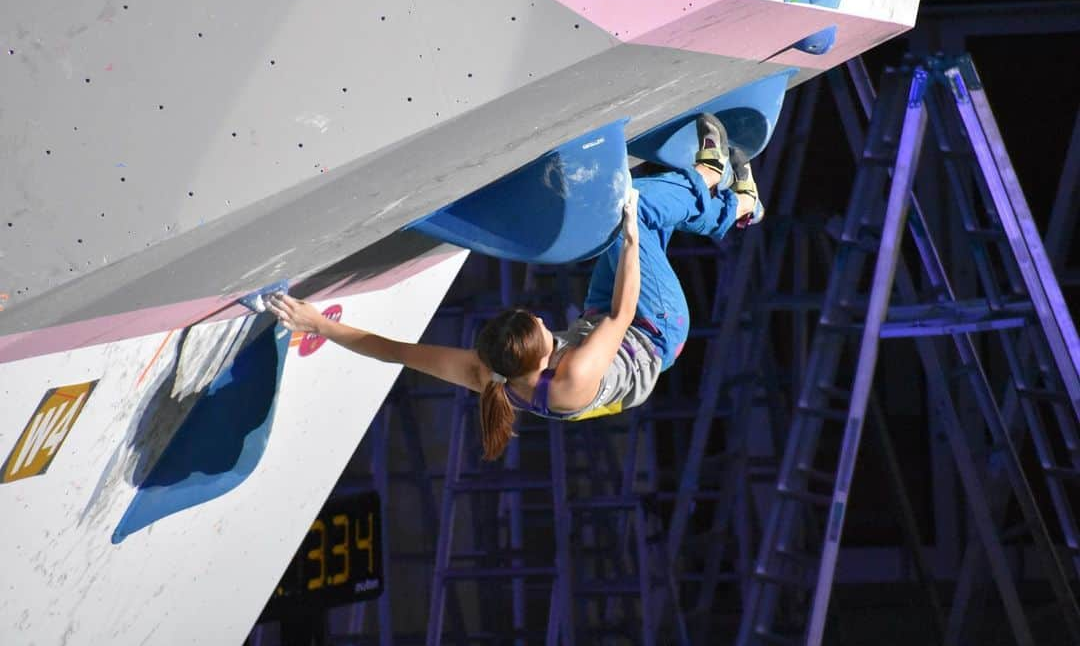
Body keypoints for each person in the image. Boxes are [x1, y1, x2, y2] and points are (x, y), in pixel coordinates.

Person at [268, 114, 763, 460]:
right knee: (637, 212)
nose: (546, 321)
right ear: (542, 357)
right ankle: (716, 188)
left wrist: (317, 324)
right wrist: (631, 237)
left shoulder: (491, 375)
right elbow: (622, 314)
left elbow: (394, 351)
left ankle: (732, 204)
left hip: (597, 319)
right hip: (653, 329)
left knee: (630, 218)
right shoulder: (569, 382)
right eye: (543, 329)